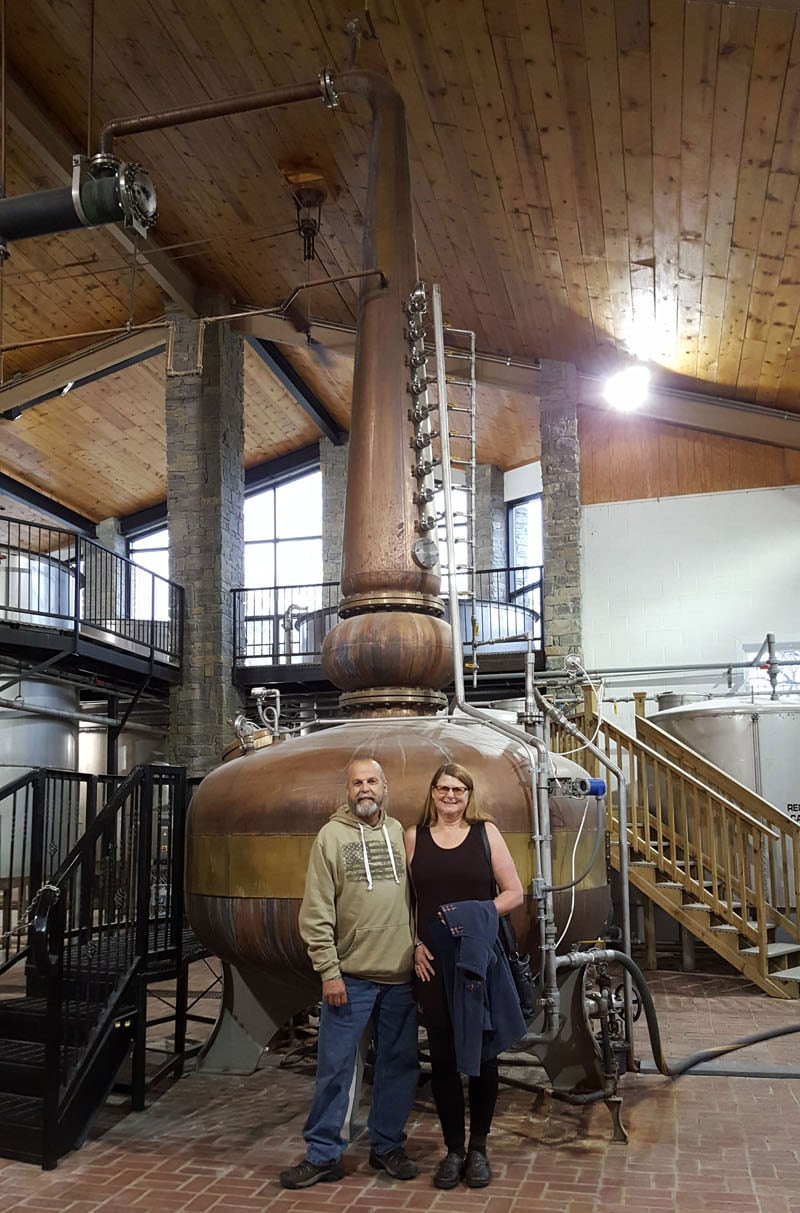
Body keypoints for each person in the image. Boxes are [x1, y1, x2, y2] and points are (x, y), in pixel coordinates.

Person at [279, 757, 420, 1190]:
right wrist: (329, 971)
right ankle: (324, 1154)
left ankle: (387, 1146)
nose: (365, 789)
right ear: (348, 790)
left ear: (385, 787)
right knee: (336, 1067)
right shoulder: (331, 837)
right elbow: (317, 910)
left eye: (372, 781)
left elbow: (420, 898)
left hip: (400, 976)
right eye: (357, 782)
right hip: (351, 977)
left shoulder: (400, 834)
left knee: (398, 1064)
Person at [405, 762, 525, 1190]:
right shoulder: (413, 837)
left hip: (478, 959)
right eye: (443, 789)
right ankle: (452, 1149)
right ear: (432, 792)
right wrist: (414, 943)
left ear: (468, 794)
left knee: (483, 1056)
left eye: (458, 789)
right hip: (432, 961)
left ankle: (479, 1148)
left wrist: (472, 916)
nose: (450, 796)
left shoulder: (485, 834)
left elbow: (514, 892)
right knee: (442, 1057)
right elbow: (407, 903)